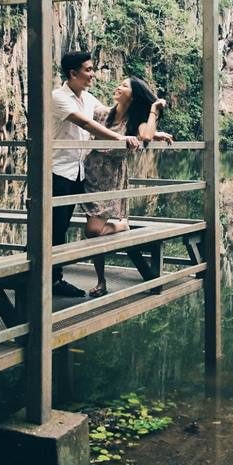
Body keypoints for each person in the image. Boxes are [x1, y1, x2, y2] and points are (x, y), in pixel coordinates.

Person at [50, 51, 141, 297]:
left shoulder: (88, 98)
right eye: (88, 70)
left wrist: (152, 132)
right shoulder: (58, 97)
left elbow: (112, 114)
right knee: (52, 229)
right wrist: (121, 138)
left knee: (88, 226)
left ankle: (54, 278)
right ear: (73, 73)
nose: (92, 74)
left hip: (81, 173)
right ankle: (48, 280)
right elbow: (88, 125)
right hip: (58, 172)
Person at [83, 76, 170, 298]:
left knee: (93, 231)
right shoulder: (103, 113)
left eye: (123, 85)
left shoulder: (135, 120)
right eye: (119, 83)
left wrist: (153, 110)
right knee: (93, 234)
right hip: (91, 174)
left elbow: (146, 135)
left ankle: (120, 226)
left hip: (112, 178)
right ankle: (101, 281)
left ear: (133, 95)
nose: (118, 87)